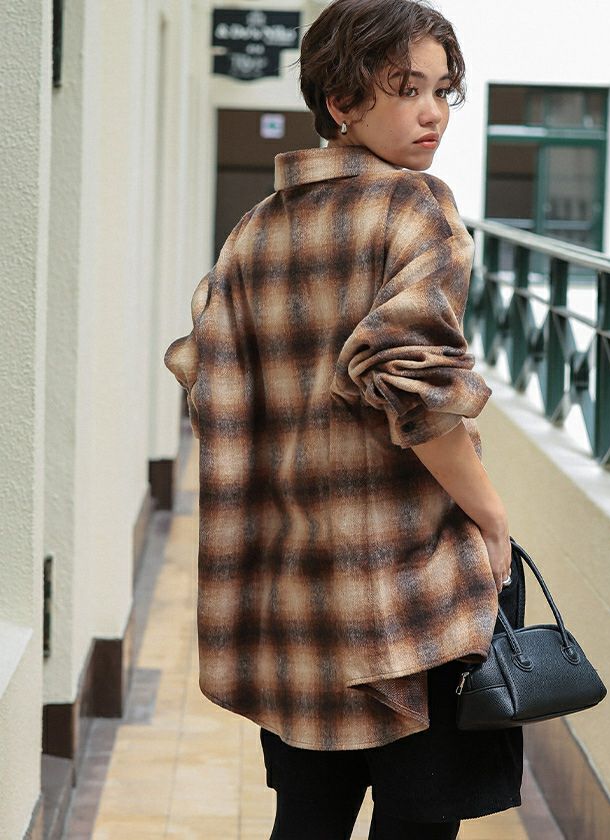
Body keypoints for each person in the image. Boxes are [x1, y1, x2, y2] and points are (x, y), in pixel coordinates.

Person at [163, 0, 523, 837]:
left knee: (307, 820)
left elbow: (212, 389)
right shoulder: (416, 208)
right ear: (341, 101)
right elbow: (417, 389)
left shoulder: (253, 232)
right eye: (406, 89)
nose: (433, 113)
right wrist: (491, 516)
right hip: (409, 593)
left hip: (298, 592)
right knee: (418, 822)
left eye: (443, 90)